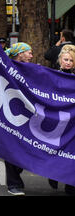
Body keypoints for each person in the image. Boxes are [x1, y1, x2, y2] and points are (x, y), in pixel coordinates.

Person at [0, 42, 32, 195]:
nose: (31, 55)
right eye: (28, 52)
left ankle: (15, 175)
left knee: (25, 149)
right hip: (7, 113)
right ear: (20, 54)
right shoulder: (5, 65)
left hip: (25, 116)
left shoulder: (31, 68)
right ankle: (14, 184)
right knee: (12, 147)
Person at [48, 46, 75, 195]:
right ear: (60, 61)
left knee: (71, 153)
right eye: (66, 60)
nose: (68, 62)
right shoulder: (52, 76)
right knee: (56, 151)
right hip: (55, 120)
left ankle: (71, 185)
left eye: (71, 60)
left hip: (72, 123)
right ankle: (53, 175)